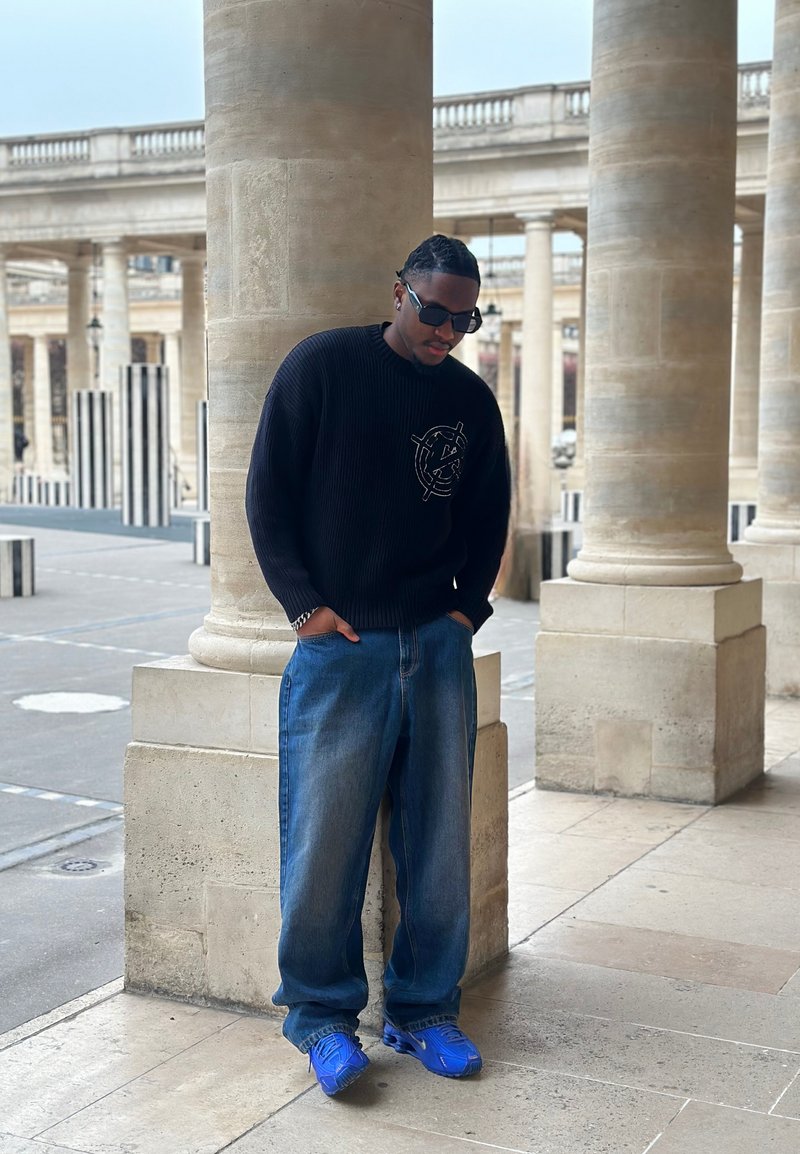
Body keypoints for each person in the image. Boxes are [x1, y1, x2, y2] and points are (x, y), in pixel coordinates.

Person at [246, 234, 510, 1096]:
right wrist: (303, 608)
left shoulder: (470, 403)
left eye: (462, 319)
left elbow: (487, 511)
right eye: (432, 310)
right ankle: (321, 1020)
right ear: (399, 291)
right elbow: (267, 493)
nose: (444, 330)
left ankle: (424, 1010)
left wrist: (466, 610)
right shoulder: (321, 367)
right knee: (324, 843)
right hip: (340, 651)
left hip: (433, 646)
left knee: (437, 844)